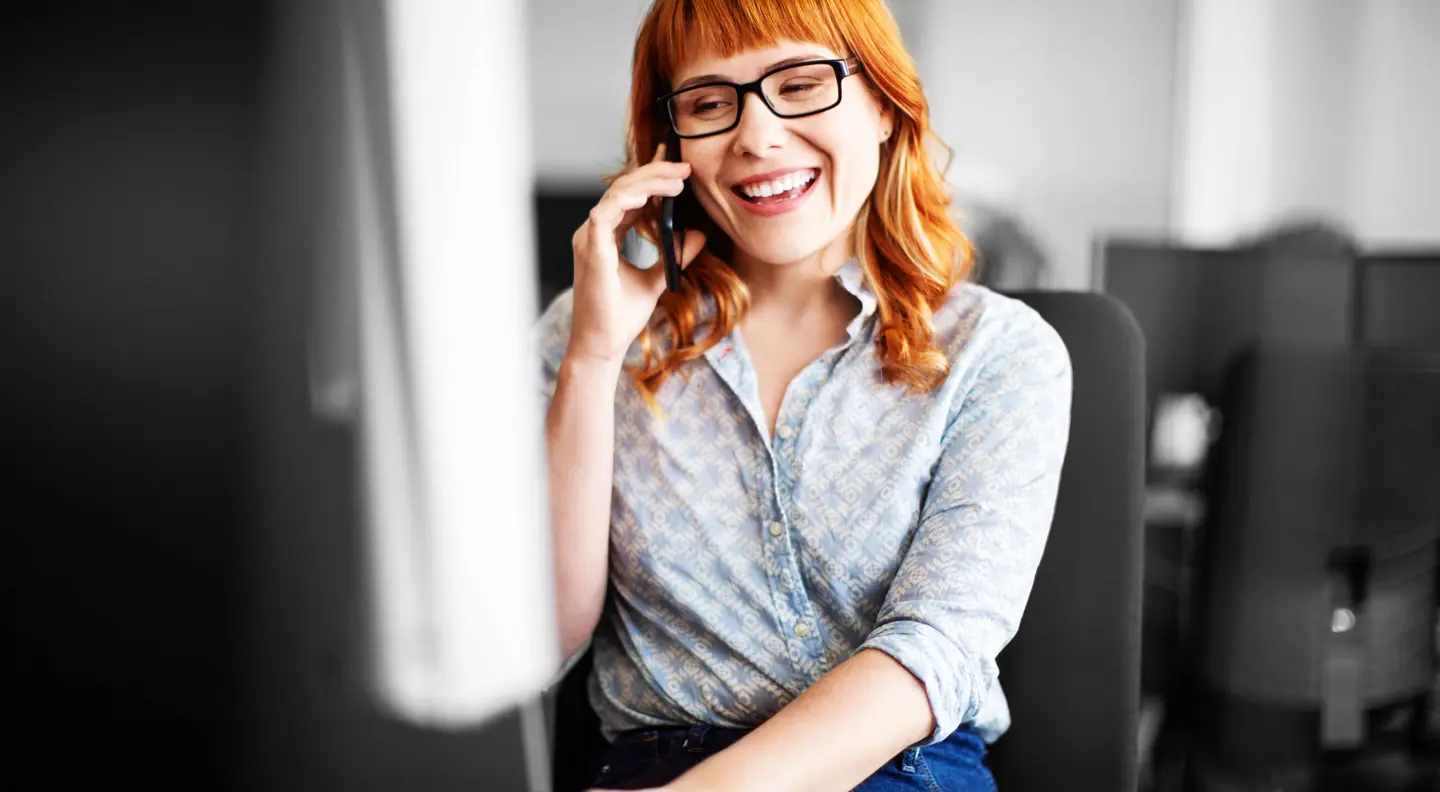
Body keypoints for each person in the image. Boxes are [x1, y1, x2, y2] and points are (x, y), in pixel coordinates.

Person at [536, 1, 1072, 789]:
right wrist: (592, 355)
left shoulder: (998, 352)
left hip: (899, 770)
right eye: (710, 102)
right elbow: (540, 638)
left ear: (885, 105)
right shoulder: (588, 332)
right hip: (653, 763)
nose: (756, 135)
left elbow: (934, 649)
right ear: (670, 140)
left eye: (800, 82)